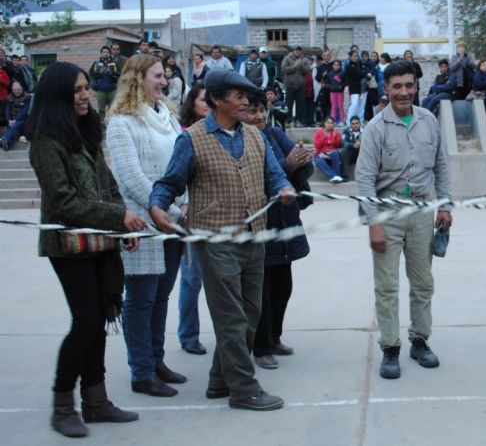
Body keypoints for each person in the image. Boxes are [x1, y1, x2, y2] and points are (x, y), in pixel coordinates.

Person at [149, 68, 294, 412]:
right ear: (216, 99)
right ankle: (244, 389)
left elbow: (274, 176)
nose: (246, 101)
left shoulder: (257, 137)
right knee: (231, 318)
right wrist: (157, 207)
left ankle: (219, 380)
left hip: (254, 238)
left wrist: (284, 189)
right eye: (238, 95)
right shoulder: (192, 138)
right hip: (215, 242)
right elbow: (169, 183)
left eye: (248, 95)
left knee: (250, 313)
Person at [27, 61, 145, 438]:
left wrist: (120, 222)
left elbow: (107, 184)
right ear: (59, 95)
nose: (86, 95)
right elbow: (62, 203)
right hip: (69, 246)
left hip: (100, 242)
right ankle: (63, 406)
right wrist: (118, 217)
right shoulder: (46, 141)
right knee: (87, 322)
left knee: (99, 324)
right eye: (78, 90)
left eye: (87, 88)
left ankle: (96, 402)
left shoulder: (87, 131)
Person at [355, 60, 453, 380]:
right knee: (387, 287)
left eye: (409, 85)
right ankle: (390, 348)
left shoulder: (429, 121)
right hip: (387, 214)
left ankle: (420, 341)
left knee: (423, 283)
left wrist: (445, 207)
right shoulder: (374, 129)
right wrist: (374, 223)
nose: (404, 92)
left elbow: (442, 167)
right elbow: (365, 180)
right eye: (396, 86)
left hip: (423, 213)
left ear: (416, 87)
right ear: (385, 89)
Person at [105, 54, 187, 398]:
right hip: (144, 221)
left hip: (174, 220)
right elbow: (129, 177)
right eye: (157, 75)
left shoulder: (167, 116)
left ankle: (157, 361)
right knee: (141, 299)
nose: (164, 81)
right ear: (137, 78)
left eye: (165, 76)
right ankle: (141, 371)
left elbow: (182, 162)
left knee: (162, 296)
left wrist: (180, 207)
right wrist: (161, 208)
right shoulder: (122, 123)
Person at [243, 91, 313, 370]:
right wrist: (289, 164)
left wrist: (303, 161)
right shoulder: (242, 141)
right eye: (252, 111)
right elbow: (260, 179)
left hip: (285, 222)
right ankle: (261, 347)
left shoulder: (274, 134)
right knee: (262, 292)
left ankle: (275, 337)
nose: (259, 116)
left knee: (283, 287)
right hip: (262, 225)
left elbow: (301, 174)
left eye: (262, 110)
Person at [175, 83, 210, 355]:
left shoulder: (219, 132)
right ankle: (188, 335)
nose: (209, 103)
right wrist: (185, 203)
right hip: (190, 214)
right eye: (203, 100)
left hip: (217, 215)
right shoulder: (184, 134)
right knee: (191, 278)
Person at [89, 46, 121, 122]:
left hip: (112, 90)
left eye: (107, 52)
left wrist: (112, 73)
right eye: (104, 52)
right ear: (101, 53)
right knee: (101, 109)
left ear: (110, 54)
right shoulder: (96, 63)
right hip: (100, 90)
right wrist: (98, 72)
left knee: (113, 109)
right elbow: (91, 74)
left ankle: (112, 124)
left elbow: (119, 74)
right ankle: (102, 126)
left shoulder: (114, 63)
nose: (105, 54)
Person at [281, 46, 309, 127]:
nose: (297, 52)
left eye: (299, 51)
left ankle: (298, 121)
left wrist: (301, 66)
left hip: (301, 86)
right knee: (288, 104)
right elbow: (283, 69)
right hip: (290, 85)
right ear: (293, 51)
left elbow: (307, 71)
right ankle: (287, 121)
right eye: (296, 50)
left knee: (300, 105)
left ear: (301, 52)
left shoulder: (304, 60)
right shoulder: (287, 58)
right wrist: (295, 66)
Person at [1, 81, 31, 150]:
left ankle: (5, 141)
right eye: (15, 90)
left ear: (21, 88)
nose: (17, 91)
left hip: (22, 119)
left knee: (15, 125)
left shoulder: (27, 97)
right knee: (12, 128)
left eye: (18, 90)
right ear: (12, 89)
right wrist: (9, 120)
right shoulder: (9, 98)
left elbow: (25, 111)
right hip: (12, 120)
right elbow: (7, 110)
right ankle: (6, 144)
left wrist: (16, 120)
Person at [313, 116, 344, 183]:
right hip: (322, 154)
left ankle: (335, 176)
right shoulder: (319, 133)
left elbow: (338, 145)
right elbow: (317, 146)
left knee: (335, 153)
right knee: (318, 161)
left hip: (333, 154)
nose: (329, 125)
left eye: (331, 123)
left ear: (333, 124)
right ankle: (334, 176)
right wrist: (323, 137)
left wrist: (336, 137)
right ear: (324, 123)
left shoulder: (336, 132)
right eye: (327, 123)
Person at [345, 50, 366, 123]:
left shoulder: (359, 64)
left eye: (357, 56)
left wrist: (364, 74)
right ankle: (348, 122)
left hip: (362, 89)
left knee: (361, 107)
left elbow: (363, 73)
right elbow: (360, 74)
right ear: (350, 57)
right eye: (354, 56)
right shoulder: (349, 66)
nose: (356, 57)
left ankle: (361, 122)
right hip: (354, 88)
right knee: (354, 105)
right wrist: (365, 74)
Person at [327, 59, 346, 126]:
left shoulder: (342, 73)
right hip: (332, 92)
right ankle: (332, 121)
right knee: (334, 107)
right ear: (333, 66)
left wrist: (341, 86)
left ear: (340, 66)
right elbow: (328, 82)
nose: (336, 66)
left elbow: (345, 82)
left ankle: (342, 121)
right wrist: (330, 87)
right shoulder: (330, 73)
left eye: (338, 65)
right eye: (335, 65)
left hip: (340, 92)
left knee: (340, 106)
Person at [316, 50, 333, 121]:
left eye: (328, 55)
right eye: (325, 56)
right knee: (324, 105)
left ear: (330, 56)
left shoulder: (333, 65)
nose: (326, 57)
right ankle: (324, 120)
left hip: (332, 89)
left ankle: (332, 120)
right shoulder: (321, 67)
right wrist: (322, 76)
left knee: (332, 105)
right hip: (324, 88)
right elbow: (317, 78)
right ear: (323, 57)